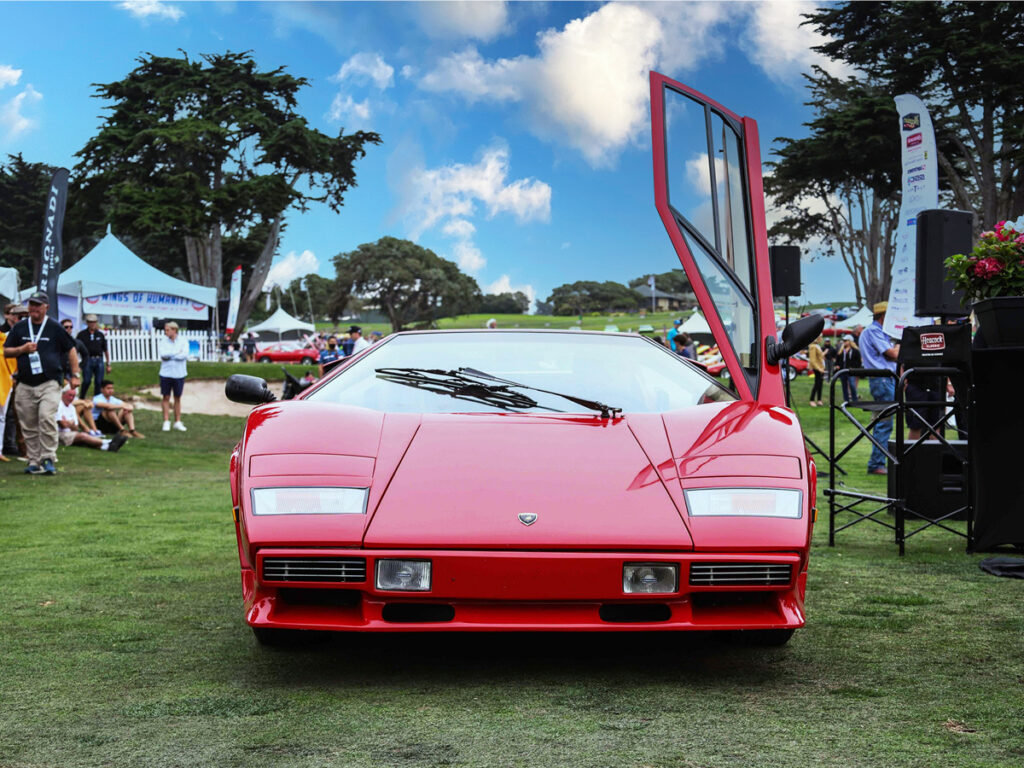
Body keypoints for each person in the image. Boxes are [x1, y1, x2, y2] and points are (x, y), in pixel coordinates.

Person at [3, 292, 80, 474]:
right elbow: (6, 352)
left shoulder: (54, 327)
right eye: (31, 305)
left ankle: (48, 458)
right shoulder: (20, 327)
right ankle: (33, 460)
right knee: (28, 423)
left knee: (46, 417)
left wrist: (75, 374)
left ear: (46, 307)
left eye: (38, 305)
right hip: (25, 383)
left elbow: (71, 349)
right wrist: (22, 349)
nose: (34, 308)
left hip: (50, 382)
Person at [859, 301, 900, 475]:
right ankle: (876, 463)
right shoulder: (874, 331)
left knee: (881, 422)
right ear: (884, 316)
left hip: (880, 380)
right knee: (884, 423)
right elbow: (892, 354)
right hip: (882, 379)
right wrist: (899, 345)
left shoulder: (872, 331)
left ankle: (877, 461)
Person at [57, 387, 127, 453]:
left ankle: (107, 447)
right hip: (60, 434)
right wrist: (70, 423)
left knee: (86, 440)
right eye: (69, 395)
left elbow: (75, 428)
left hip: (70, 433)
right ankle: (109, 442)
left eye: (73, 396)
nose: (71, 398)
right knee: (83, 436)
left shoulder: (71, 408)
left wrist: (69, 423)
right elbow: (63, 425)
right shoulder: (58, 406)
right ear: (63, 395)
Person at [2, 303, 28, 460]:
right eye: (14, 314)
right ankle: (8, 444)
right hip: (6, 376)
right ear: (7, 315)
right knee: (6, 413)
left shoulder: (26, 331)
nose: (17, 317)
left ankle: (18, 446)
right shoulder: (2, 331)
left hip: (20, 376)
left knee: (17, 414)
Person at [158, 321, 188, 432]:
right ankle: (166, 421)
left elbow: (184, 355)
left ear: (174, 330)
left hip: (179, 373)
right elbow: (163, 354)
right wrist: (176, 353)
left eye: (168, 330)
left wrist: (171, 354)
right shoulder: (163, 341)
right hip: (166, 373)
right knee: (165, 397)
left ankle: (177, 421)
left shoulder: (183, 341)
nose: (166, 332)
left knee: (177, 398)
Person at [76, 314, 110, 398]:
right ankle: (82, 397)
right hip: (87, 359)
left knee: (99, 382)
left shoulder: (100, 335)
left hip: (99, 359)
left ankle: (97, 399)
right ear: (87, 323)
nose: (92, 324)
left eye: (94, 322)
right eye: (90, 322)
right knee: (87, 380)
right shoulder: (82, 335)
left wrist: (108, 364)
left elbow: (105, 349)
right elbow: (76, 349)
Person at [836, 334, 861, 404]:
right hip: (842, 370)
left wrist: (854, 367)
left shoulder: (855, 351)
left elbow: (858, 361)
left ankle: (854, 400)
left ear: (850, 341)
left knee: (852, 385)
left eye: (846, 341)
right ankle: (846, 400)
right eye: (843, 341)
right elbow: (838, 359)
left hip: (851, 371)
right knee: (844, 386)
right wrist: (837, 365)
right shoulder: (841, 351)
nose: (844, 342)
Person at [807, 337, 825, 406]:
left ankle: (819, 400)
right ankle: (812, 400)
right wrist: (819, 368)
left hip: (821, 368)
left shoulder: (817, 346)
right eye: (821, 337)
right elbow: (812, 360)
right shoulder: (813, 346)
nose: (822, 339)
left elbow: (819, 357)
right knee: (817, 384)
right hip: (817, 368)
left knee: (820, 384)